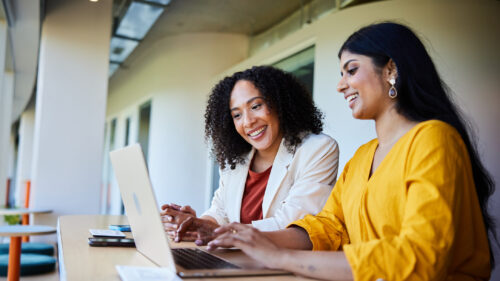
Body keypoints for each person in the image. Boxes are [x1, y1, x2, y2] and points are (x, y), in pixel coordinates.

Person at [206, 22, 495, 280]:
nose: (341, 85)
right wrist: (247, 237)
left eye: (351, 70)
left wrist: (282, 258)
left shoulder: (434, 139)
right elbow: (327, 228)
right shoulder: (362, 157)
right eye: (341, 73)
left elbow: (420, 257)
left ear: (391, 70)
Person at [161, 66, 339, 245]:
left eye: (255, 106)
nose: (248, 121)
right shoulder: (237, 159)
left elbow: (292, 226)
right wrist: (197, 225)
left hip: (283, 266)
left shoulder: (317, 149)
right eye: (237, 115)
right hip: (236, 260)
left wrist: (219, 232)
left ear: (280, 103)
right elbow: (220, 212)